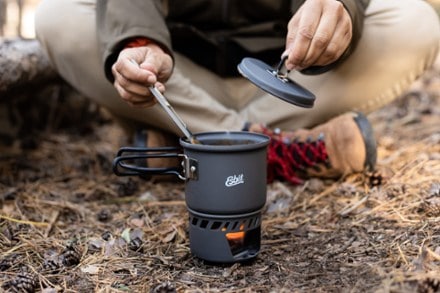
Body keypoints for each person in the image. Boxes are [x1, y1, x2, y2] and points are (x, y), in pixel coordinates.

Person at [34, 0, 440, 184]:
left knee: (415, 22)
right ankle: (272, 149)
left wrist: (339, 8)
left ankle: (188, 147)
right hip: (181, 80)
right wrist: (140, 43)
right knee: (60, 17)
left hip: (289, 80)